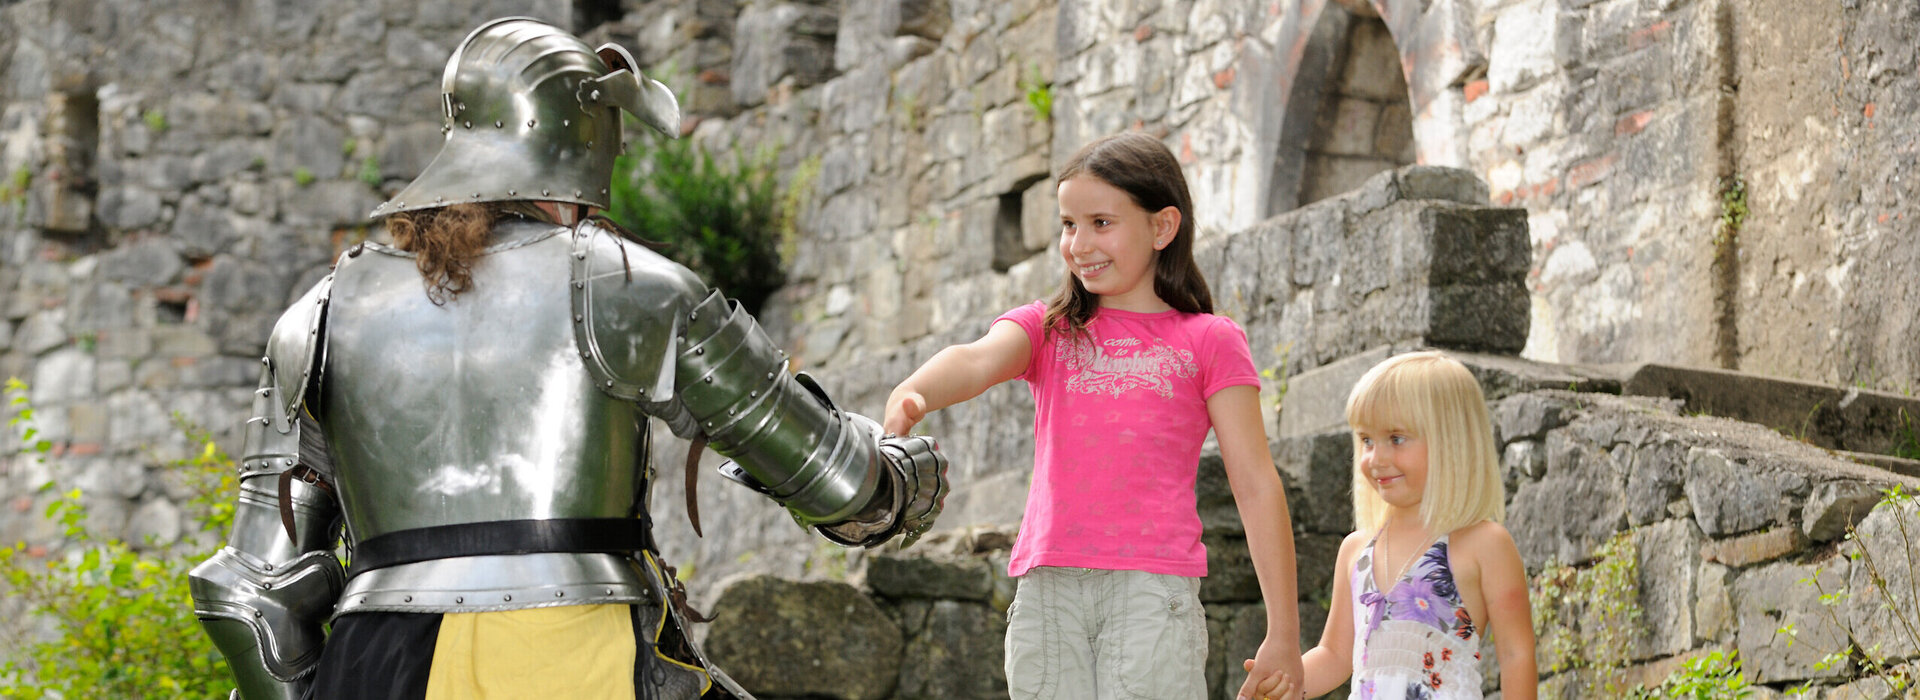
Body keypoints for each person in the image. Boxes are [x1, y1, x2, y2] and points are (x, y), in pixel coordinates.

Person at [186, 17, 949, 700]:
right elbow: (844, 486)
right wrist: (905, 475)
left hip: (376, 664)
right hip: (566, 652)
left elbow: (248, 590)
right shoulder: (626, 287)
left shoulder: (319, 312)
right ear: (585, 146)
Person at [883, 131, 1304, 700]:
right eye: (1068, 224)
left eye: (1101, 222)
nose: (1079, 243)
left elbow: (1255, 483)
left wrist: (1284, 631)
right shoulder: (1049, 329)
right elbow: (977, 357)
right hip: (1047, 595)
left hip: (1153, 594)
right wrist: (916, 392)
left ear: (1162, 227)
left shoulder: (1210, 340)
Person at [1266, 350, 1536, 699]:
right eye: (1366, 440)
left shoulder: (1484, 544)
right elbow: (1334, 656)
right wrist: (1282, 684)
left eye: (1396, 438)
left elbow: (1517, 655)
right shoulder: (1356, 550)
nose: (1376, 459)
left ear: (1449, 440)